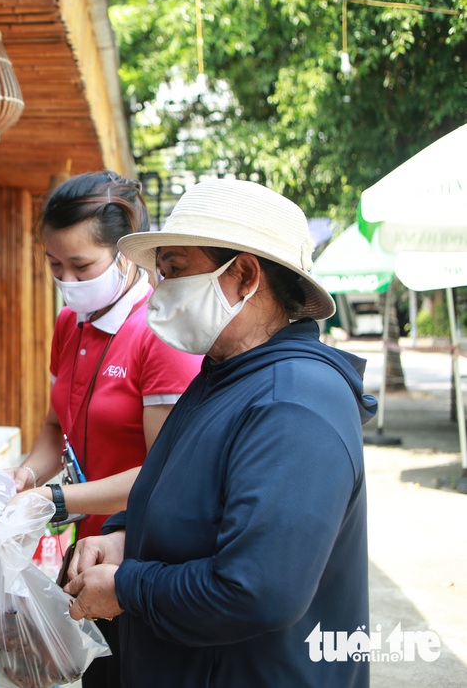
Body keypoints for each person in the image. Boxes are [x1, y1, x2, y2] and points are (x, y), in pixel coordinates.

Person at [63, 179, 375, 687]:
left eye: (177, 270)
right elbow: (182, 489)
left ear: (245, 275)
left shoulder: (293, 402)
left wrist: (126, 587)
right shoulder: (224, 373)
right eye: (160, 274)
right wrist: (124, 535)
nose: (160, 291)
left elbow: (255, 590)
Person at [10, 170, 203, 687]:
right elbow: (56, 427)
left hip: (140, 560)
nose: (67, 282)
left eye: (81, 265)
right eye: (55, 266)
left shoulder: (158, 333)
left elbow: (166, 475)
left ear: (124, 255)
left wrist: (56, 501)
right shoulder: (69, 324)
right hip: (87, 553)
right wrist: (25, 476)